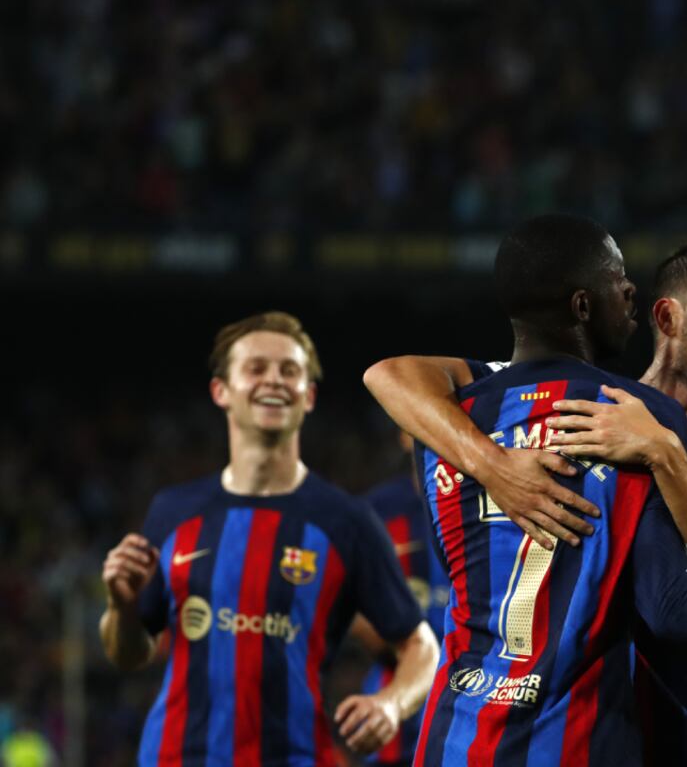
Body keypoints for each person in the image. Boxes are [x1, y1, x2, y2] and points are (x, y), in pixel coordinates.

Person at [363, 214, 687, 766]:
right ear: (667, 317)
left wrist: (668, 452)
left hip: (491, 732)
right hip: (587, 731)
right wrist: (496, 466)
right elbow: (389, 373)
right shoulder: (598, 412)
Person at [99, 311, 439, 766]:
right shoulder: (173, 511)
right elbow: (128, 653)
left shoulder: (346, 521)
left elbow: (422, 647)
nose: (274, 380)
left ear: (308, 395)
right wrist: (121, 607)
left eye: (289, 370)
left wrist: (391, 704)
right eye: (256, 368)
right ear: (221, 391)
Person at [353, 432, 453, 767]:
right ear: (403, 434)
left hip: (472, 718)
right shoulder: (377, 513)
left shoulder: (495, 502)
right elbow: (352, 612)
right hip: (396, 727)